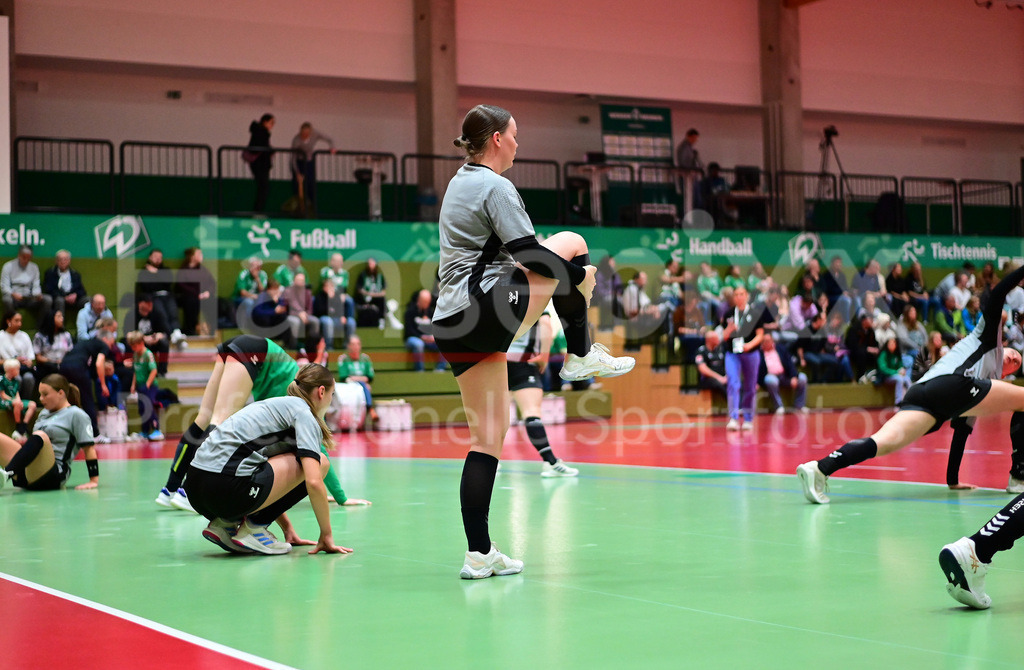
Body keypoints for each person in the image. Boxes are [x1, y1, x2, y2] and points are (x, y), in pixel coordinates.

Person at [432, 104, 634, 579]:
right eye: (515, 135)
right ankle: (579, 355)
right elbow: (530, 255)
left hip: (451, 323)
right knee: (571, 241)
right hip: (481, 308)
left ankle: (479, 553)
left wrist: (567, 282)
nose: (520, 143)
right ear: (497, 139)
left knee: (487, 439)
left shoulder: (460, 181)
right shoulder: (495, 185)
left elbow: (519, 258)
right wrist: (580, 279)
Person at [797, 263, 1024, 505]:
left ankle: (819, 469)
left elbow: (961, 433)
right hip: (948, 385)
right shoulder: (988, 338)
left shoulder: (983, 389)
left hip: (923, 397)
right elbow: (999, 292)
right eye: (1012, 353)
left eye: (1016, 362)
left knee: (882, 442)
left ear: (1008, 372)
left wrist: (953, 480)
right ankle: (1018, 477)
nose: (1013, 358)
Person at [156, 334, 369, 512]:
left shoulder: (288, 389)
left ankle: (170, 490)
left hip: (241, 346)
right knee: (219, 419)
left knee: (204, 418)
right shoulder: (304, 404)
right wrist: (340, 496)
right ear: (321, 392)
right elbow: (318, 451)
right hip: (254, 352)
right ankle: (187, 491)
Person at [184, 364, 352, 556]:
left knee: (262, 466)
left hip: (195, 488)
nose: (331, 401)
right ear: (321, 392)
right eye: (332, 394)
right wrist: (327, 535)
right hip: (226, 488)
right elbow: (313, 482)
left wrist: (287, 528)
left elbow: (272, 477)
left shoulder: (274, 406)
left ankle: (225, 524)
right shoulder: (304, 413)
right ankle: (253, 529)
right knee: (320, 463)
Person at [507, 307, 578, 477]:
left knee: (494, 417)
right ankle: (551, 462)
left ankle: (489, 465)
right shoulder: (533, 292)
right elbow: (546, 323)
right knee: (531, 412)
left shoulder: (491, 290)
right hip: (524, 361)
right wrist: (544, 355)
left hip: (496, 361)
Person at [0, 374, 97, 492]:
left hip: (53, 475)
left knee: (41, 435)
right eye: (40, 394)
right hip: (30, 475)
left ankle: (6, 474)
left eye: (45, 394)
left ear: (61, 393)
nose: (41, 398)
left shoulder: (76, 414)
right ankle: (10, 473)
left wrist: (93, 480)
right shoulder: (44, 413)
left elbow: (89, 449)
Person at [721, 285, 771, 431]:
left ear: (746, 296)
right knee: (733, 383)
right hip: (733, 353)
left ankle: (748, 418)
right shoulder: (729, 314)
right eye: (736, 294)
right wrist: (728, 330)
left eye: (741, 294)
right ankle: (733, 418)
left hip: (750, 353)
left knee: (750, 386)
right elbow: (724, 337)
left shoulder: (755, 313)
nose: (739, 297)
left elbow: (760, 334)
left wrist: (750, 345)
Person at [59, 330, 117, 436]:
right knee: (88, 400)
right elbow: (99, 364)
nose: (111, 347)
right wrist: (103, 385)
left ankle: (66, 432)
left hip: (63, 367)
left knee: (68, 401)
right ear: (105, 339)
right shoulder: (103, 345)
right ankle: (95, 434)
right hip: (78, 368)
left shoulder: (85, 343)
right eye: (111, 343)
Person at [126, 331, 163, 441]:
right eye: (132, 346)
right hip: (140, 386)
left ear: (142, 343)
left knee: (149, 407)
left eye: (135, 346)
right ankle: (145, 431)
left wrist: (147, 384)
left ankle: (157, 430)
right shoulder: (136, 355)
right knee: (141, 409)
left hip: (149, 387)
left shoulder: (148, 354)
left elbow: (154, 371)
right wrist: (133, 385)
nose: (133, 348)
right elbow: (135, 371)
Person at [0, 245, 52, 321]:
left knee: (47, 299)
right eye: (24, 257)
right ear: (19, 255)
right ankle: (11, 325)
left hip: (29, 297)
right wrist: (13, 294)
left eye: (29, 258)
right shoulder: (8, 266)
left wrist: (37, 294)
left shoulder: (34, 267)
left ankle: (41, 328)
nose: (26, 260)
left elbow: (36, 285)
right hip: (14, 297)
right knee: (7, 299)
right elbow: (4, 286)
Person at [125, 294, 172, 376]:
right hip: (138, 341)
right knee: (127, 343)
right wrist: (142, 338)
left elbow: (166, 332)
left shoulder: (157, 313)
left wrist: (157, 336)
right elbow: (127, 332)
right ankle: (132, 369)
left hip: (153, 341)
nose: (147, 310)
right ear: (140, 304)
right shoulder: (131, 314)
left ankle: (161, 371)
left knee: (164, 343)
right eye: (144, 309)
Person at [291, 122, 334, 209]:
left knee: (310, 184)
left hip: (309, 161)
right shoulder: (296, 140)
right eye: (303, 134)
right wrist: (297, 172)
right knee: (297, 185)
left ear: (310, 132)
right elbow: (293, 158)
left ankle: (312, 207)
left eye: (307, 134)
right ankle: (299, 207)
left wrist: (332, 147)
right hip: (299, 162)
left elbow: (329, 139)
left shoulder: (315, 134)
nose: (305, 135)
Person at [758, 337, 807, 415]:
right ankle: (779, 406)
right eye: (764, 341)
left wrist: (793, 376)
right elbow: (758, 370)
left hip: (785, 375)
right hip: (772, 377)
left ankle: (799, 406)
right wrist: (757, 382)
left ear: (772, 341)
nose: (767, 343)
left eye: (768, 341)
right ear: (762, 343)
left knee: (802, 378)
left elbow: (790, 363)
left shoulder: (781, 349)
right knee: (770, 380)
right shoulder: (759, 353)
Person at [175, 247, 216, 337]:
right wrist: (196, 294)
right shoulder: (184, 270)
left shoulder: (203, 269)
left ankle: (212, 330)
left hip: (204, 296)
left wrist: (208, 293)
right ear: (192, 256)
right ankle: (190, 331)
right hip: (189, 297)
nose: (202, 256)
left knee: (215, 302)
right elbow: (181, 285)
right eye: (199, 254)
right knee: (191, 302)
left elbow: (212, 283)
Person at [283, 272, 324, 360]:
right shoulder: (288, 291)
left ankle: (312, 347)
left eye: (302, 281)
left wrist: (306, 315)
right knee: (295, 322)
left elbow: (309, 309)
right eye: (298, 280)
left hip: (304, 315)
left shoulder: (307, 292)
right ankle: (292, 348)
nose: (300, 282)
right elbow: (288, 308)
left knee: (315, 321)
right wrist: (299, 313)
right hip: (291, 315)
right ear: (294, 281)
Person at [337, 336, 377, 426]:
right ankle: (370, 409)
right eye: (353, 344)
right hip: (349, 386)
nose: (355, 347)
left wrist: (355, 378)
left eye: (358, 344)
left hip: (362, 386)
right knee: (363, 386)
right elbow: (344, 378)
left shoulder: (365, 358)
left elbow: (369, 377)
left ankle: (363, 420)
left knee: (365, 386)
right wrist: (360, 379)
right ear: (348, 346)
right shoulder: (343, 359)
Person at [405, 289, 445, 372]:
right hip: (413, 338)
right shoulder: (410, 312)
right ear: (419, 300)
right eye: (424, 301)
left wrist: (433, 337)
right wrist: (421, 337)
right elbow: (409, 330)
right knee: (418, 344)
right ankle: (420, 370)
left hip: (428, 339)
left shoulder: (431, 312)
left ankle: (440, 369)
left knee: (445, 342)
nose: (426, 304)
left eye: (428, 301)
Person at [313, 276, 354, 353]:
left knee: (351, 322)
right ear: (324, 287)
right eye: (328, 286)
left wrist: (342, 316)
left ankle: (348, 346)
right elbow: (319, 311)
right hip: (325, 318)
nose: (330, 288)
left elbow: (340, 309)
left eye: (331, 286)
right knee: (328, 321)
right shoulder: (319, 296)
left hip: (336, 319)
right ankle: (329, 347)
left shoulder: (337, 296)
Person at [319, 252, 355, 338]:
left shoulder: (345, 273)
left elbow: (344, 287)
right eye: (336, 261)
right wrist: (335, 294)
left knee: (349, 300)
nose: (339, 263)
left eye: (340, 261)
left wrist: (340, 295)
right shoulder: (325, 271)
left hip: (340, 294)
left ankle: (348, 319)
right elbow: (325, 285)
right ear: (331, 262)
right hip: (328, 294)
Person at [42, 249, 87, 318]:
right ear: (56, 261)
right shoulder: (50, 273)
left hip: (74, 298)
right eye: (60, 259)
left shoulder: (75, 274)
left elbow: (82, 290)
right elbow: (49, 289)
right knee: (60, 300)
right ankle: (60, 326)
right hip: (60, 298)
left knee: (88, 300)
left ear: (69, 261)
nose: (63, 262)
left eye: (65, 259)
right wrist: (64, 297)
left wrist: (75, 295)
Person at [251, 279, 295, 348]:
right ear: (268, 290)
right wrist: (273, 311)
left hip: (273, 323)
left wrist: (277, 303)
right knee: (265, 318)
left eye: (277, 289)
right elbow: (257, 312)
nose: (276, 292)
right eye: (274, 290)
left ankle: (290, 346)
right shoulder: (262, 296)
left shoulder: (278, 298)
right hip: (260, 324)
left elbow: (283, 310)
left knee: (284, 319)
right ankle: (265, 345)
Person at [33, 308, 74, 380]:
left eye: (62, 316)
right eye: (59, 316)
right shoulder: (40, 336)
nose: (62, 319)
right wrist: (53, 361)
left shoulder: (66, 335)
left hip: (63, 364)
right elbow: (38, 358)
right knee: (53, 368)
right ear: (51, 319)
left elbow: (70, 352)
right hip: (48, 366)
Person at [1, 358, 36, 441]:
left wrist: (18, 400)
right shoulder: (2, 379)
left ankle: (24, 425)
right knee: (17, 403)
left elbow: (17, 394)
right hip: (4, 401)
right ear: (11, 370)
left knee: (32, 405)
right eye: (17, 369)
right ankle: (18, 425)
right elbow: (2, 395)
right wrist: (14, 400)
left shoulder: (16, 380)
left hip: (14, 401)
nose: (19, 371)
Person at [247, 113, 274, 213]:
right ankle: (257, 211)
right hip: (260, 164)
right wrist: (269, 150)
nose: (272, 125)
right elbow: (257, 148)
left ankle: (258, 211)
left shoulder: (258, 132)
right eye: (271, 122)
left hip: (260, 164)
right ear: (265, 122)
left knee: (263, 188)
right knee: (264, 188)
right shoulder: (261, 132)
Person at [231, 256, 267, 328]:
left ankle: (263, 325)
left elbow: (262, 290)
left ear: (260, 267)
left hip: (256, 298)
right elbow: (242, 292)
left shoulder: (263, 274)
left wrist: (257, 278)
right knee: (249, 302)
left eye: (256, 267)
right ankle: (249, 325)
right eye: (252, 266)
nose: (253, 268)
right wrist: (253, 296)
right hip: (240, 298)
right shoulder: (244, 274)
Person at [875, 337, 911, 406]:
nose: (892, 345)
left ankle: (910, 399)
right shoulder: (883, 354)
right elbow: (883, 369)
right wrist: (896, 372)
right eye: (890, 343)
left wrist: (902, 370)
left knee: (907, 379)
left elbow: (900, 365)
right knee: (899, 379)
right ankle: (898, 401)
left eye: (894, 343)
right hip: (885, 377)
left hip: (896, 375)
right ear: (887, 344)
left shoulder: (897, 354)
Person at [356, 257, 389, 328]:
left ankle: (381, 321)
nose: (370, 265)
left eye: (372, 263)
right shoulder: (362, 275)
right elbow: (359, 289)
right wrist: (367, 294)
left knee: (382, 300)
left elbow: (383, 292)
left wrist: (373, 295)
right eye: (369, 264)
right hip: (364, 298)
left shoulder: (380, 277)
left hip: (376, 298)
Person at [694, 330, 727, 400]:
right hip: (707, 380)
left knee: (735, 382)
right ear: (710, 340)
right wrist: (719, 378)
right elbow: (703, 369)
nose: (718, 339)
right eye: (716, 338)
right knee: (716, 383)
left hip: (723, 377)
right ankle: (734, 405)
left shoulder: (720, 350)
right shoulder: (701, 351)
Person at [594, 255, 623, 330]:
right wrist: (611, 293)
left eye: (614, 262)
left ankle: (618, 327)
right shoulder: (599, 275)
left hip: (616, 298)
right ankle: (617, 327)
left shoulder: (616, 275)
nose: (613, 264)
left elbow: (620, 290)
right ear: (606, 263)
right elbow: (599, 292)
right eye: (611, 262)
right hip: (602, 299)